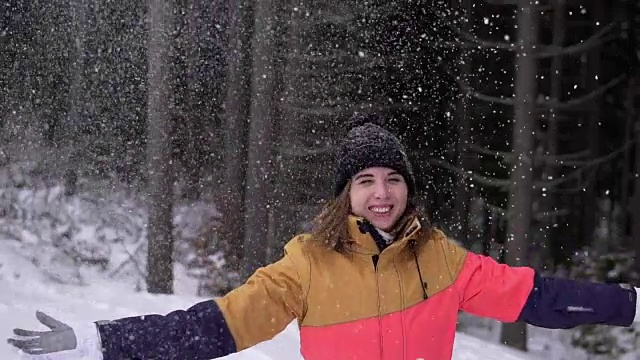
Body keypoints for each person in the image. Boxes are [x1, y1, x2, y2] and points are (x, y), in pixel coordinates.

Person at [7, 112, 640, 360]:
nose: (382, 192)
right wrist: (103, 339)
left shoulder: (443, 259)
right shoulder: (306, 264)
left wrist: (631, 304)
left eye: (393, 178)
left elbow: (538, 298)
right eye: (364, 180)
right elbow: (217, 325)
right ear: (346, 194)